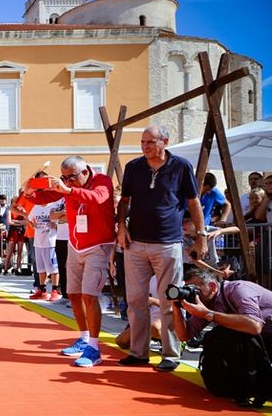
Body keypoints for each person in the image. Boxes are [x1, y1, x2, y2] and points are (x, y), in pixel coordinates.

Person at [117, 125, 207, 372]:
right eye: (142, 142)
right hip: (135, 244)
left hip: (168, 243)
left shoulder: (181, 166)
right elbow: (124, 201)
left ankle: (170, 353)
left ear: (165, 141)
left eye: (150, 142)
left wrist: (201, 236)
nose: (145, 146)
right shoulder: (134, 167)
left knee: (170, 300)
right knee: (135, 300)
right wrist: (121, 228)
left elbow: (193, 201)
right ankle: (139, 352)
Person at [24, 155, 116, 367]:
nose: (67, 182)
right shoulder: (68, 185)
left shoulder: (102, 181)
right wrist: (30, 193)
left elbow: (97, 198)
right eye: (64, 178)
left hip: (98, 246)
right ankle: (84, 338)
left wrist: (69, 190)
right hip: (76, 245)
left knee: (89, 295)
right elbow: (44, 198)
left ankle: (94, 347)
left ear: (85, 171)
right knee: (73, 294)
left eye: (71, 177)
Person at [4, 193, 26, 275]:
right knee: (9, 252)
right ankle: (6, 268)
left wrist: (16, 222)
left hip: (20, 232)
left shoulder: (22, 210)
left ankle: (18, 268)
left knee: (20, 251)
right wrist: (20, 223)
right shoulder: (10, 211)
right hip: (13, 232)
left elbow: (25, 222)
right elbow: (9, 222)